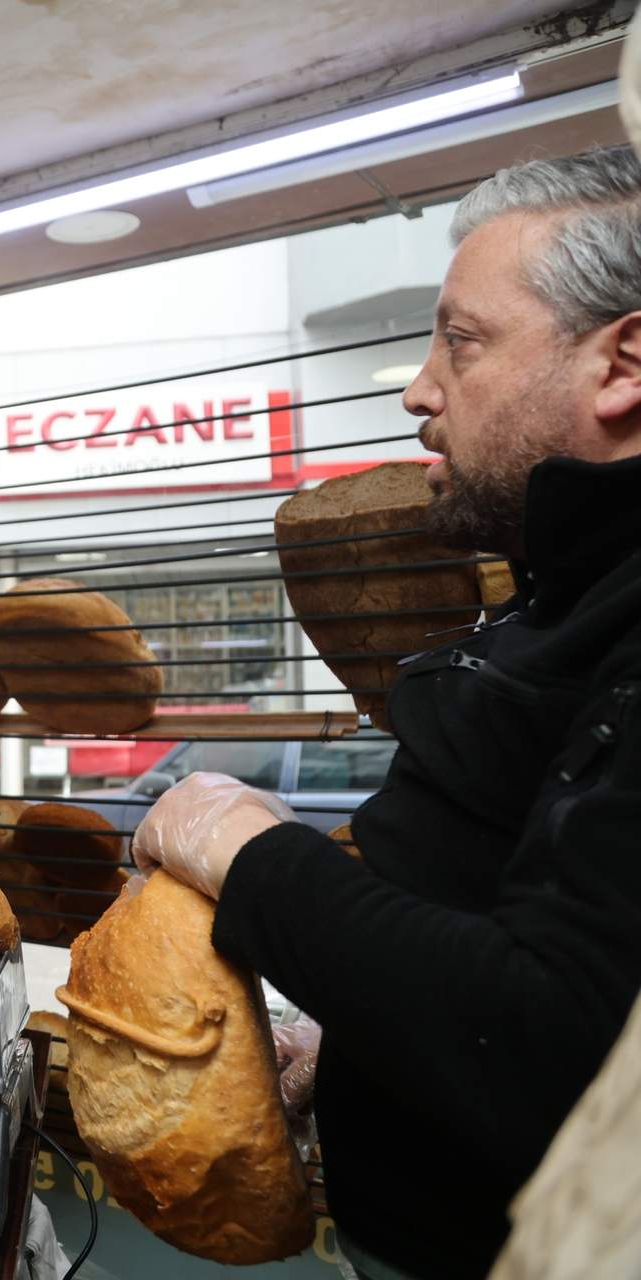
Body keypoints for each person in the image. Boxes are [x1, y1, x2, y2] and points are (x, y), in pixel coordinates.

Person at [130, 146, 641, 1279]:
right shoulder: (564, 583)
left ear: (623, 362)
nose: (419, 386)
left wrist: (247, 850)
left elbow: (549, 1040)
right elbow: (492, 905)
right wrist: (354, 1028)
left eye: (460, 341)